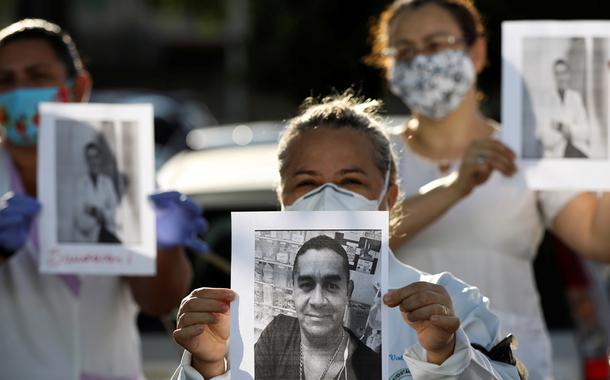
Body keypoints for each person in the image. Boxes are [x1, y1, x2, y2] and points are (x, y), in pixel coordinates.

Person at [171, 94, 522, 380]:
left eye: (351, 181)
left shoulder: (452, 304)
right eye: (306, 182)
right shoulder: (235, 322)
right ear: (281, 197)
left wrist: (446, 355)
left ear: (390, 197)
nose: (327, 196)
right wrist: (207, 367)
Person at [367, 1, 610, 379]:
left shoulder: (530, 150)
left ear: (477, 52)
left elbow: (599, 240)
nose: (421, 61)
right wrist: (454, 187)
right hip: (407, 365)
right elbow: (358, 242)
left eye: (435, 45)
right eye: (405, 51)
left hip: (511, 366)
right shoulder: (373, 158)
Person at [0, 19, 207, 379]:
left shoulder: (123, 165)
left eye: (37, 76)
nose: (20, 91)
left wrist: (164, 247)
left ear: (78, 87)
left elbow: (158, 301)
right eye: (5, 81)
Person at [255, 234, 380, 380]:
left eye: (332, 286)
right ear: (293, 289)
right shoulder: (277, 332)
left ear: (348, 292)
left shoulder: (371, 368)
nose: (318, 301)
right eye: (306, 285)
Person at [538, 59, 590, 158]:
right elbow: (545, 138)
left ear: (568, 75)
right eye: (557, 73)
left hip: (577, 151)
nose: (561, 77)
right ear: (554, 76)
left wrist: (560, 127)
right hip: (555, 155)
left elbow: (586, 131)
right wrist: (570, 131)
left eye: (563, 73)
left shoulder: (576, 98)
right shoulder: (546, 100)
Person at [73, 140, 121, 243]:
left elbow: (116, 213)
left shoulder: (107, 183)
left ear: (100, 159)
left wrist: (95, 211)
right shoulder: (80, 185)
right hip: (88, 240)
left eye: (95, 157)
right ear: (86, 160)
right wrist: (102, 215)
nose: (93, 161)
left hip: (108, 235)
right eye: (90, 158)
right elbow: (79, 219)